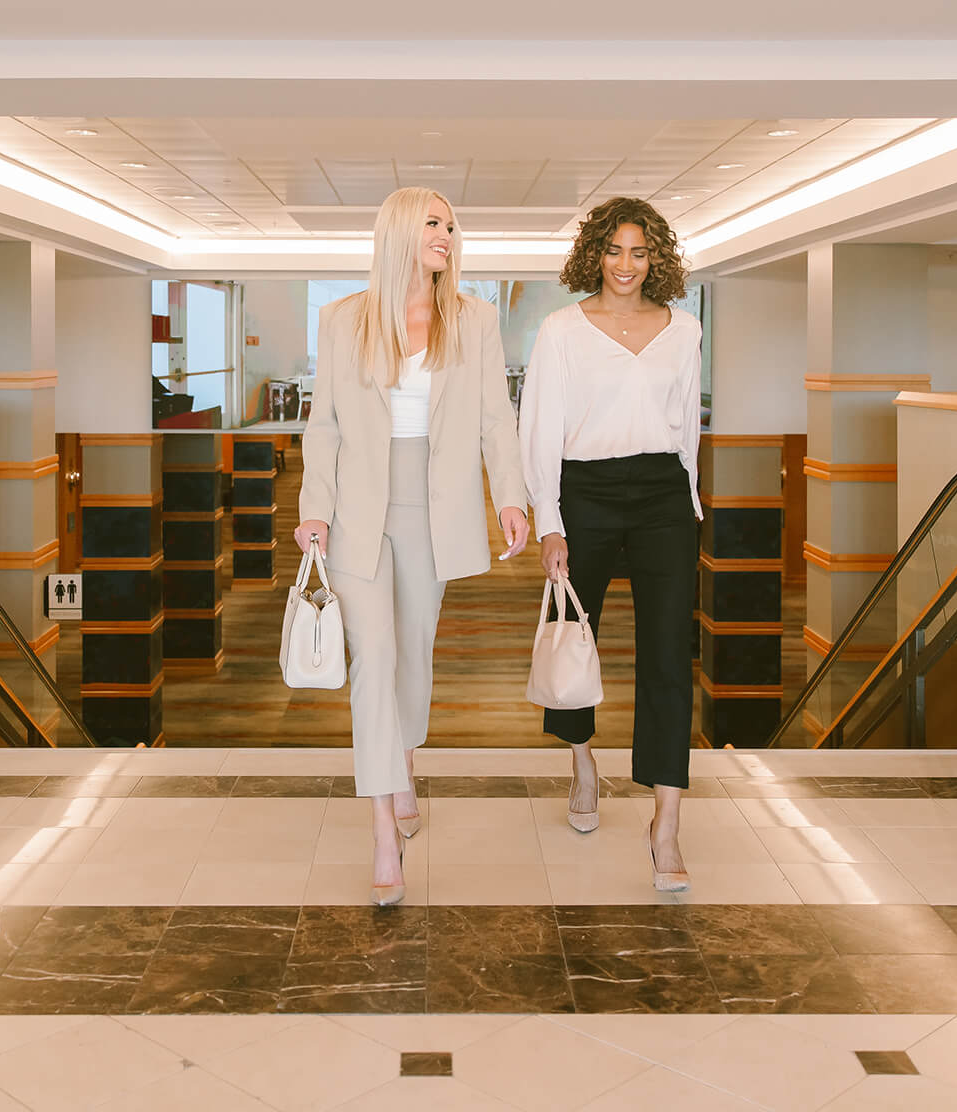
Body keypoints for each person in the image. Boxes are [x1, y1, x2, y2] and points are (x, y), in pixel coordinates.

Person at [296, 185, 530, 905]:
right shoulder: (341, 321)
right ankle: (381, 837)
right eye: (435, 223)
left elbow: (496, 416)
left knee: (414, 657)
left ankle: (400, 761)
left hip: (437, 508)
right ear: (400, 228)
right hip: (359, 508)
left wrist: (510, 495)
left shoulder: (474, 319)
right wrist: (314, 508)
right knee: (375, 658)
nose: (447, 236)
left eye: (453, 226)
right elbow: (325, 424)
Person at [519, 196, 703, 892]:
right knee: (574, 634)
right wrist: (550, 520)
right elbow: (539, 424)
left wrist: (689, 505)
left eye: (640, 251)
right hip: (584, 493)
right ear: (595, 252)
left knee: (667, 657)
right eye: (615, 250)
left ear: (656, 258)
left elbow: (687, 428)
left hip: (662, 496)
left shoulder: (683, 331)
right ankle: (583, 760)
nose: (626, 266)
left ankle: (667, 824)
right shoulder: (562, 330)